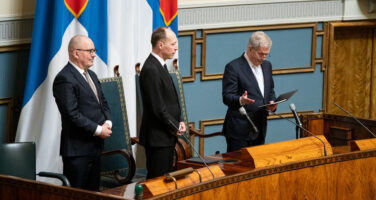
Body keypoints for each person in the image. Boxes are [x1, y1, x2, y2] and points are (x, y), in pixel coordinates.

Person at [53, 35, 112, 191]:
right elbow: (72, 114)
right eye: (90, 51)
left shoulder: (91, 75)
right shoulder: (64, 78)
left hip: (95, 147)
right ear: (75, 53)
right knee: (77, 195)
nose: (94, 54)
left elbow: (103, 103)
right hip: (78, 150)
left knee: (93, 194)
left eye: (94, 50)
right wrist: (99, 130)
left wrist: (108, 122)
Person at [139, 27, 186, 179]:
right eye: (172, 44)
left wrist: (180, 121)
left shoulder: (160, 65)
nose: (176, 47)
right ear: (160, 45)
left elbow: (170, 101)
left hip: (166, 134)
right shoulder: (151, 68)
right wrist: (175, 125)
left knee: (165, 181)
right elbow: (158, 108)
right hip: (157, 138)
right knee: (157, 182)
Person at [222, 31, 277, 153]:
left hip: (260, 126)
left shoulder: (267, 66)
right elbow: (227, 97)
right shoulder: (233, 67)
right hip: (239, 130)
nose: (263, 58)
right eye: (261, 54)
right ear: (250, 48)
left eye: (266, 54)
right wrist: (241, 100)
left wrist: (272, 102)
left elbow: (270, 90)